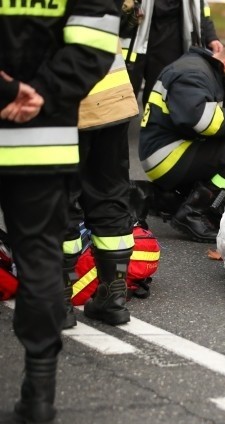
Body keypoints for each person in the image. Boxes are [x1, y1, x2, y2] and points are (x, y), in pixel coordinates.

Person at [0, 0, 119, 424]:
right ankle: (40, 395)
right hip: (41, 140)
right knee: (40, 261)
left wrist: (7, 91)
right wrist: (40, 95)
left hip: (31, 122)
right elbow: (95, 47)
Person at [138, 40, 225, 243]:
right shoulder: (194, 74)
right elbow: (198, 119)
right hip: (166, 155)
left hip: (171, 148)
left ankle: (169, 199)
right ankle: (192, 214)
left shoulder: (204, 70)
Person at [62, 38, 140, 330]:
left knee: (59, 199)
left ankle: (59, 301)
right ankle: (113, 296)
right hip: (113, 99)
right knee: (111, 197)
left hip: (65, 104)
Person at [121, 0, 224, 107]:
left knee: (157, 99)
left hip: (170, 41)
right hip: (134, 40)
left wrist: (211, 36)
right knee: (123, 98)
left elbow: (201, 9)